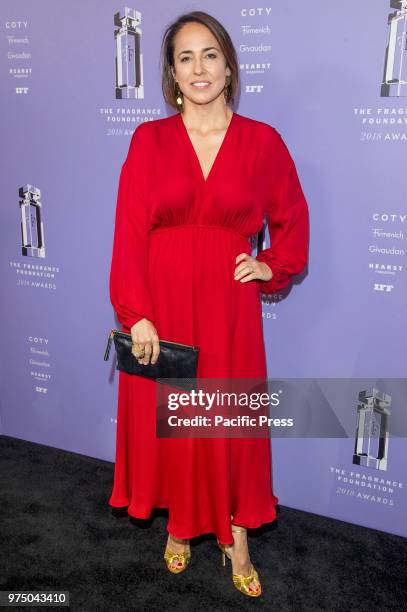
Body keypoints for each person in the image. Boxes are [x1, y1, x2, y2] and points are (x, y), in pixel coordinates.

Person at [108, 10, 309, 598]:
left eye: (210, 54)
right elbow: (127, 231)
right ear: (171, 72)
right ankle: (181, 526)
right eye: (186, 57)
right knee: (172, 422)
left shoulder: (264, 142)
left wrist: (273, 263)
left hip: (228, 306)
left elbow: (292, 220)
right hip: (162, 302)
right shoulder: (149, 140)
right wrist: (135, 311)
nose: (199, 68)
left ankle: (236, 537)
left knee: (227, 421)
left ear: (228, 66)